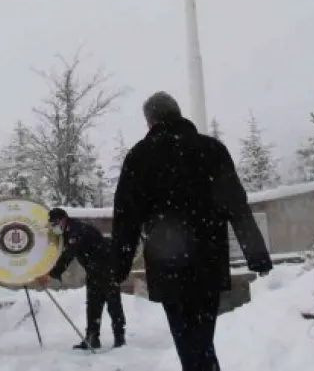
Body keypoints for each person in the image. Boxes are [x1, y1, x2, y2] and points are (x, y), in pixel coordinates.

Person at [111, 92, 273, 371]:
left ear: (150, 121)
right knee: (203, 339)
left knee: (186, 340)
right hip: (209, 261)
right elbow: (237, 205)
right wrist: (256, 254)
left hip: (167, 264)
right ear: (177, 113)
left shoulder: (139, 156)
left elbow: (126, 217)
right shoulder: (211, 149)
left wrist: (118, 267)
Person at [34, 207, 126, 350]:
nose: (53, 228)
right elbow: (59, 250)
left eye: (54, 224)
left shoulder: (77, 231)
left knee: (113, 304)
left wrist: (50, 274)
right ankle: (92, 338)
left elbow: (68, 254)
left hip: (107, 269)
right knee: (93, 305)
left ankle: (120, 339)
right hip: (93, 270)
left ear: (63, 220)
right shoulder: (68, 230)